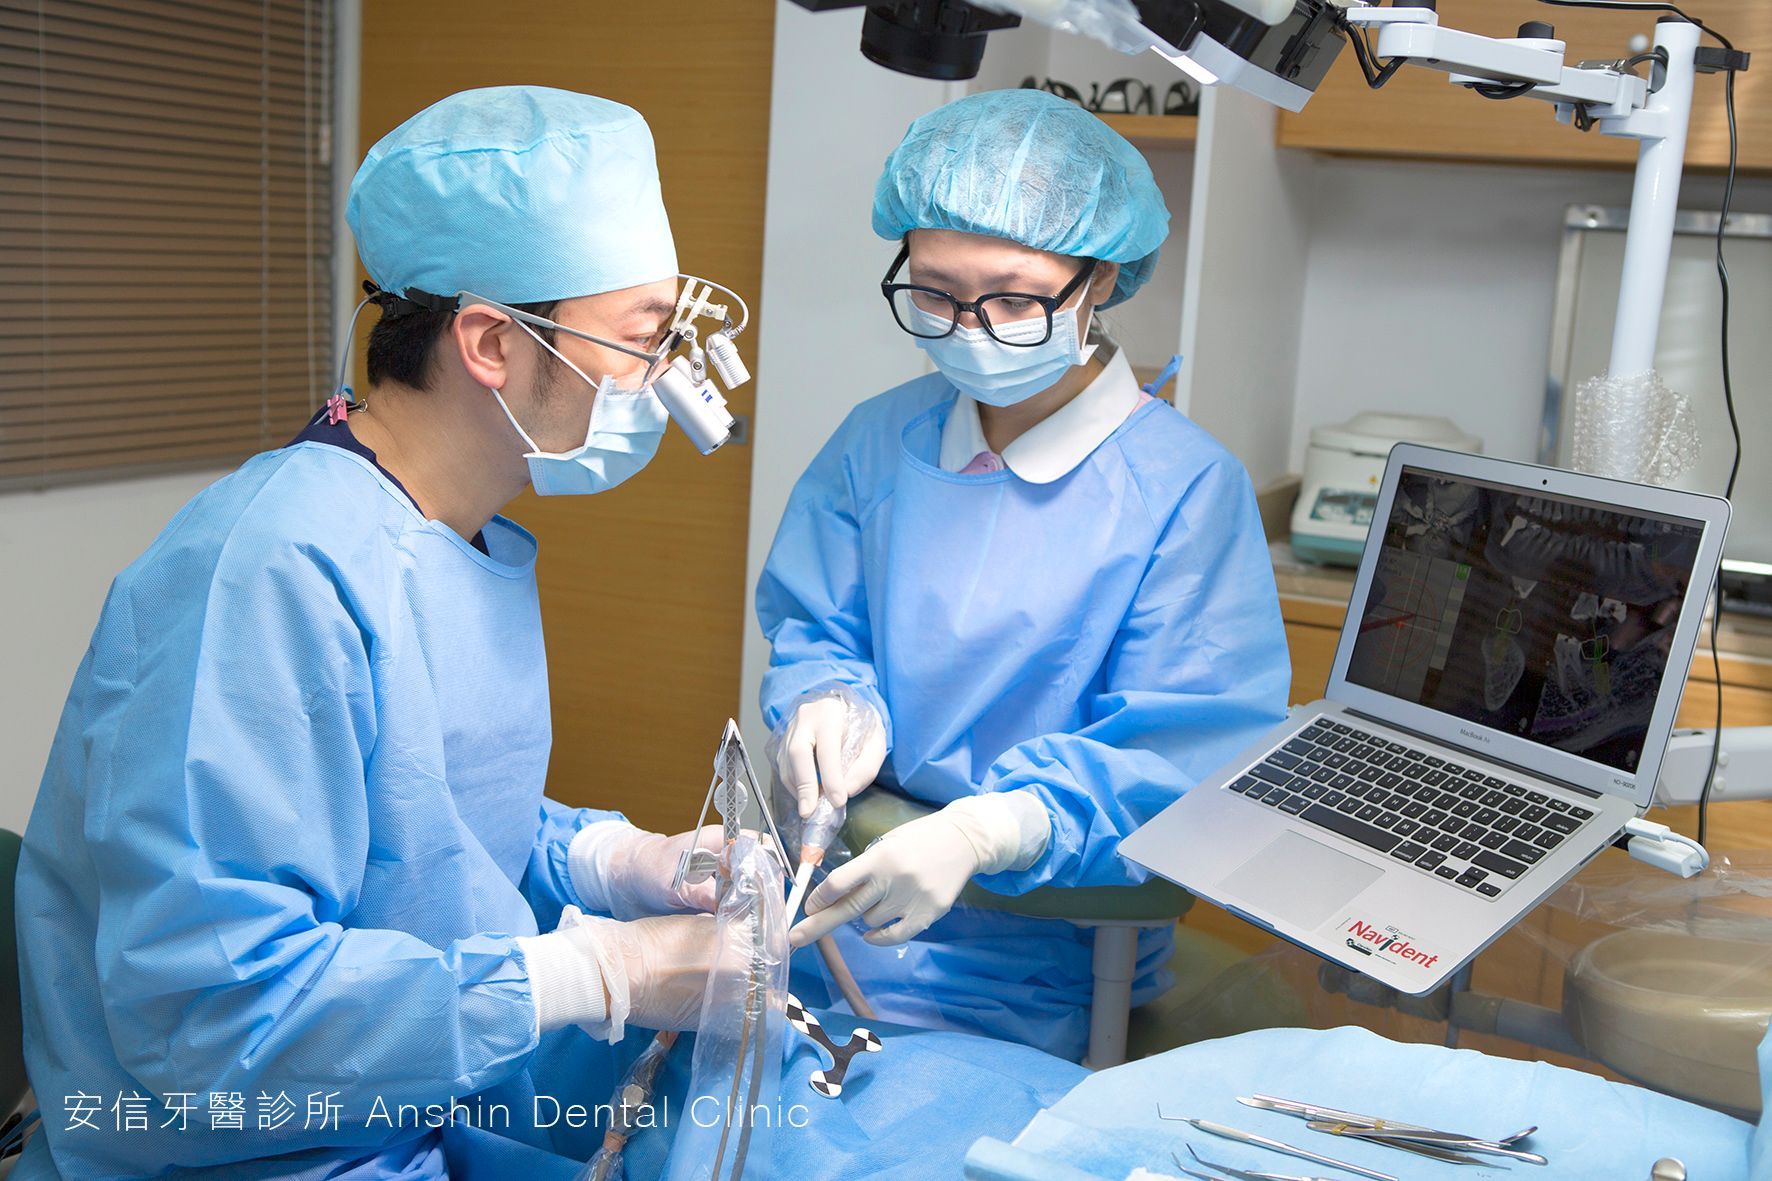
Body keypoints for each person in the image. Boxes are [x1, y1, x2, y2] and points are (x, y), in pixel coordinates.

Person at [15, 86, 731, 1179]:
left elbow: (416, 823)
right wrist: (600, 973)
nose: (660, 382)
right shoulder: (268, 573)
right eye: (640, 340)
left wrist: (611, 857)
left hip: (392, 1106)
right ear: (492, 341)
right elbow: (211, 1019)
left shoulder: (442, 537)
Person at [757, 89, 1292, 1061]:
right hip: (828, 899)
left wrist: (992, 829)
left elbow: (1189, 744)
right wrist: (829, 697)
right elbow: (815, 622)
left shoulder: (1181, 489)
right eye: (932, 291)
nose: (967, 327)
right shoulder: (880, 440)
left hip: (1052, 953)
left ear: (1098, 281)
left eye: (1011, 298)